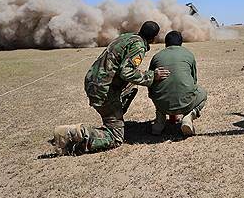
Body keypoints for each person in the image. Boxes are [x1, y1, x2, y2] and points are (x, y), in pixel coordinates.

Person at [52, 21, 170, 154]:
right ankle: (75, 133)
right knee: (116, 138)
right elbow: (126, 72)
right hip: (103, 90)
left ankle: (115, 114)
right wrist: (152, 76)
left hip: (94, 82)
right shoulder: (138, 46)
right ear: (153, 38)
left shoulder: (127, 37)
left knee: (132, 86)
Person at [148, 30, 207, 136]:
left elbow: (150, 80)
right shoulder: (188, 54)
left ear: (166, 43)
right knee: (203, 93)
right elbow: (194, 81)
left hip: (161, 103)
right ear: (181, 43)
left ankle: (160, 120)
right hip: (186, 103)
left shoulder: (157, 56)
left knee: (157, 90)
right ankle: (189, 116)